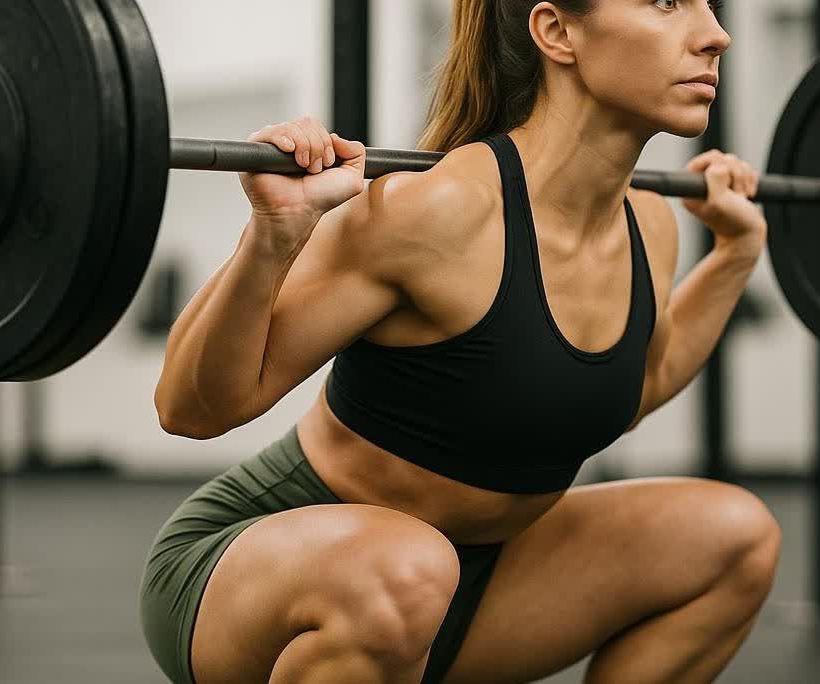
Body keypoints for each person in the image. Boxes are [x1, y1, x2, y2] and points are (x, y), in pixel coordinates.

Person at [140, 0, 779, 682]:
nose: (716, 35)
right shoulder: (435, 212)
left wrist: (737, 255)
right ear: (557, 32)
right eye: (665, 3)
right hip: (272, 573)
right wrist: (272, 238)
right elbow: (191, 409)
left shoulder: (650, 225)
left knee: (732, 537)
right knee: (406, 570)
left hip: (468, 581)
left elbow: (631, 389)